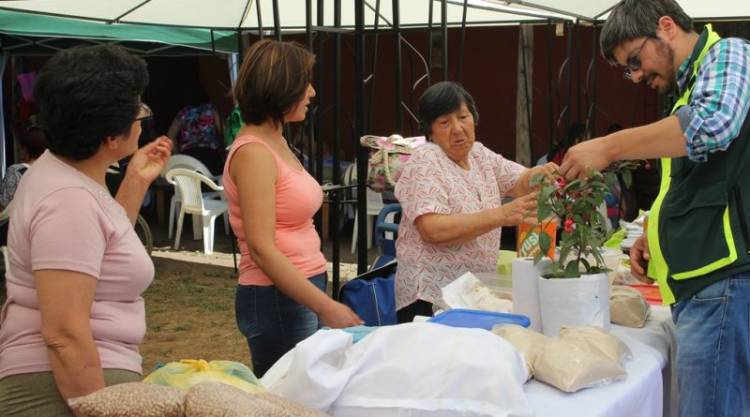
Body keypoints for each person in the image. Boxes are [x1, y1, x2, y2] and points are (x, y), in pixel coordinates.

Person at [559, 1, 750, 415]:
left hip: (722, 285)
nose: (637, 75)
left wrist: (609, 146)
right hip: (703, 287)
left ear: (666, 27)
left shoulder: (729, 53)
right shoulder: (688, 88)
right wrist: (654, 231)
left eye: (635, 60)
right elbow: (688, 182)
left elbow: (713, 124)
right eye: (628, 69)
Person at [0, 45, 172, 416]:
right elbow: (64, 334)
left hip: (69, 378)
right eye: (139, 109)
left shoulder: (65, 176)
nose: (143, 118)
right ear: (111, 136)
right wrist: (101, 408)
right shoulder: (67, 200)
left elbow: (100, 252)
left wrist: (135, 183)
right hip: (62, 386)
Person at [222, 39, 362, 377]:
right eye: (304, 83)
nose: (312, 92)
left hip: (299, 286)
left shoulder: (277, 139)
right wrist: (324, 305)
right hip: (277, 297)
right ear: (279, 88)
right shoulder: (254, 152)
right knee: (290, 400)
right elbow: (261, 248)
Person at [394, 81, 557, 322]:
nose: (457, 129)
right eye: (444, 123)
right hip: (430, 297)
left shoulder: (478, 154)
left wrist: (544, 174)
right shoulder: (426, 160)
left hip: (470, 292)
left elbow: (520, 181)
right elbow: (432, 229)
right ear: (430, 131)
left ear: (474, 117)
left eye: (463, 117)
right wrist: (502, 214)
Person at [167, 87, 224, 174]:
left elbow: (170, 136)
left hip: (188, 156)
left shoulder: (184, 112)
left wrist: (178, 155)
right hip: (210, 155)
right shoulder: (212, 109)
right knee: (213, 183)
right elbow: (223, 132)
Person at [0, 118, 48, 210]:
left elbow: (5, 204)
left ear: (26, 149)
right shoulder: (51, 171)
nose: (20, 151)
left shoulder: (15, 171)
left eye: (21, 148)